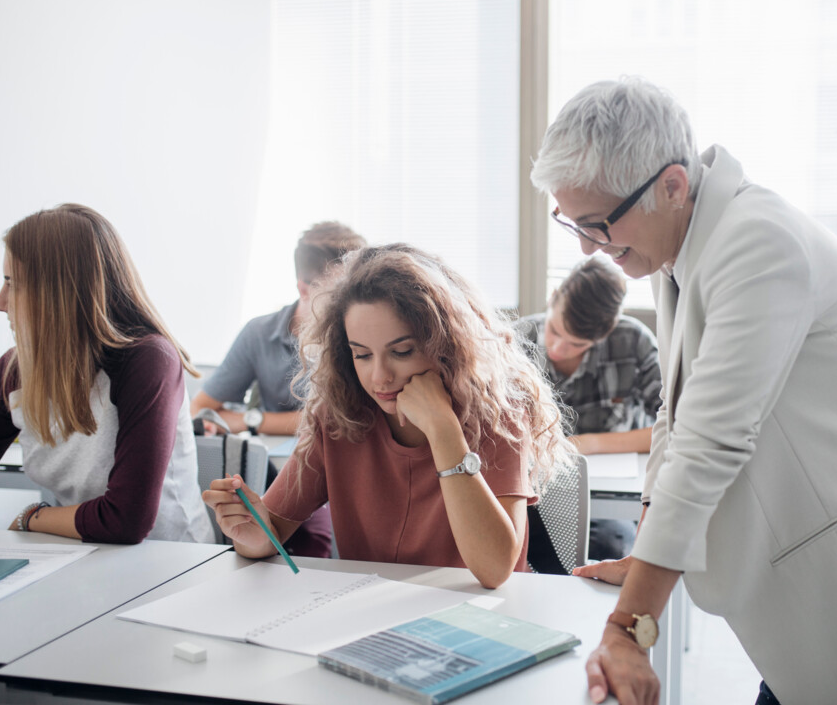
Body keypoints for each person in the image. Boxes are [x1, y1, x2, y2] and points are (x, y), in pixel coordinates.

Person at [531, 79, 837, 705]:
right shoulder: (676, 243)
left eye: (597, 224)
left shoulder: (758, 244)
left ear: (672, 185)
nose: (586, 247)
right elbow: (674, 417)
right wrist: (644, 555)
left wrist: (629, 628)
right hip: (809, 558)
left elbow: (711, 441)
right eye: (572, 224)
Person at [204, 243, 575, 588]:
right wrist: (252, 534)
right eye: (362, 355)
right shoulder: (337, 418)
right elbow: (272, 533)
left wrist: (444, 429)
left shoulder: (498, 416)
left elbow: (495, 572)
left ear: (446, 346)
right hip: (373, 620)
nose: (379, 377)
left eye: (401, 351)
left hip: (476, 621)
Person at [0, 204, 213, 544]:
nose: (0, 302)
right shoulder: (12, 372)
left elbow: (126, 521)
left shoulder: (148, 361)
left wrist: (31, 518)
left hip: (170, 566)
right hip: (80, 557)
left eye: (13, 282)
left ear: (57, 292)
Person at [517, 256, 661, 560]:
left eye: (576, 344)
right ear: (552, 297)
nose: (558, 349)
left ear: (604, 334)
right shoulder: (517, 340)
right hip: (529, 490)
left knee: (609, 549)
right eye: (555, 331)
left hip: (606, 497)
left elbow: (674, 426)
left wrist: (590, 444)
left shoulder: (633, 342)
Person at [190, 221, 367, 435]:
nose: (353, 303)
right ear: (304, 289)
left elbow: (339, 419)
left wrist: (253, 421)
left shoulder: (364, 334)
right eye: (339, 294)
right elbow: (199, 409)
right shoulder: (259, 333)